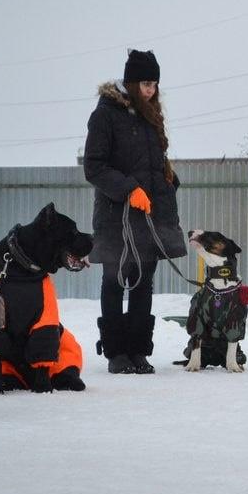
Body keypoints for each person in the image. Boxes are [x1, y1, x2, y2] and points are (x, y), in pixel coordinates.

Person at [83, 49, 186, 374]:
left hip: (152, 215)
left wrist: (168, 181)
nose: (151, 90)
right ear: (130, 82)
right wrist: (129, 189)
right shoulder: (105, 115)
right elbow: (94, 167)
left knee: (144, 282)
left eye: (154, 83)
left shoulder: (150, 115)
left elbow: (152, 162)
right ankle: (116, 354)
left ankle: (139, 351)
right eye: (145, 83)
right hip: (117, 218)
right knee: (114, 281)